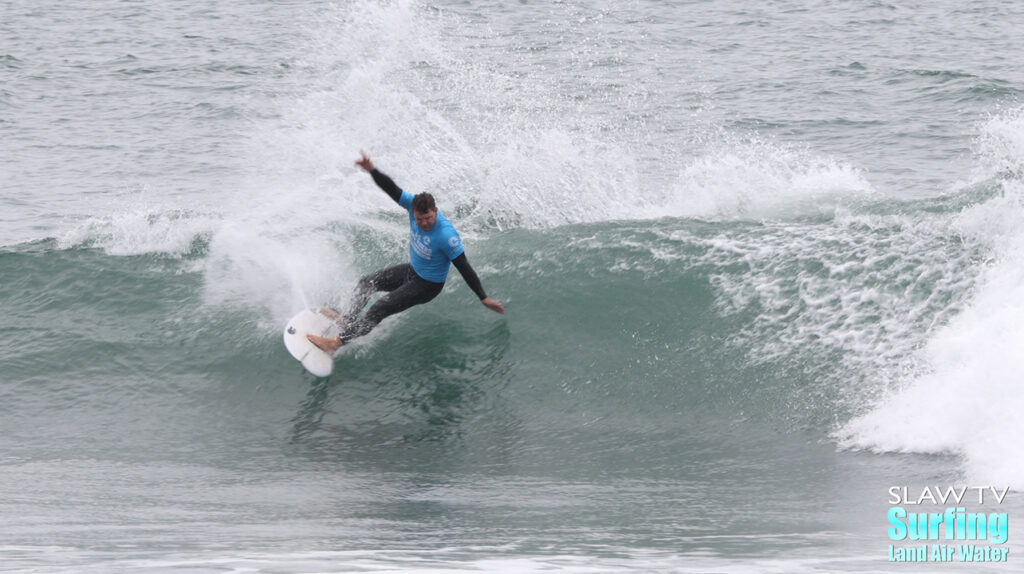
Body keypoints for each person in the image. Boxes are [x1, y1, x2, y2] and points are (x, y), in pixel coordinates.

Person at [307, 152, 505, 353]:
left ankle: (335, 343)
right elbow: (391, 189)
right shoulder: (412, 205)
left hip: (428, 285)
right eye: (420, 219)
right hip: (413, 271)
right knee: (367, 282)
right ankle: (347, 320)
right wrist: (372, 170)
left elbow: (464, 266)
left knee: (379, 309)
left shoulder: (446, 236)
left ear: (435, 211)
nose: (424, 222)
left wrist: (482, 296)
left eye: (428, 217)